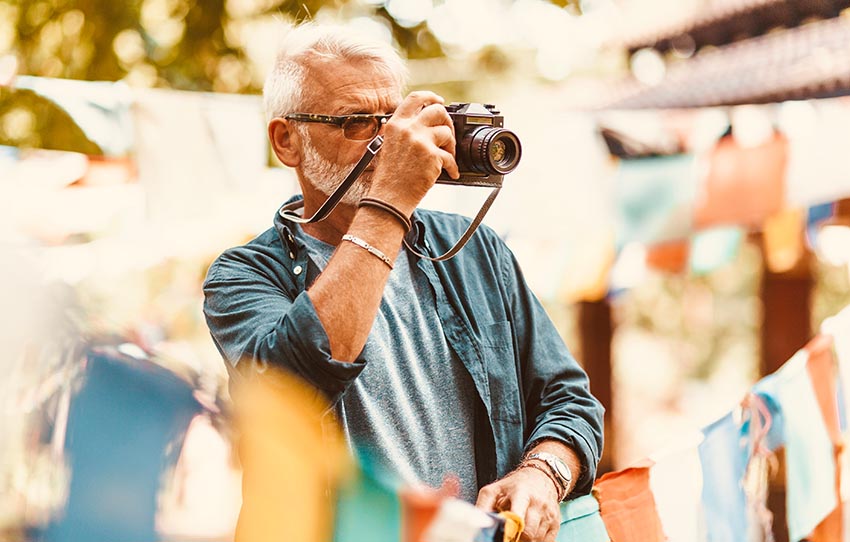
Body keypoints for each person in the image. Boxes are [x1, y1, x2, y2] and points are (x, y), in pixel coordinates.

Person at [203, 22, 604, 542]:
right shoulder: (242, 275)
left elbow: (569, 401)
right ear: (287, 141)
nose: (389, 142)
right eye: (356, 123)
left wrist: (542, 474)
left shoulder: (476, 248)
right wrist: (388, 202)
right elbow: (293, 391)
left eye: (391, 120)